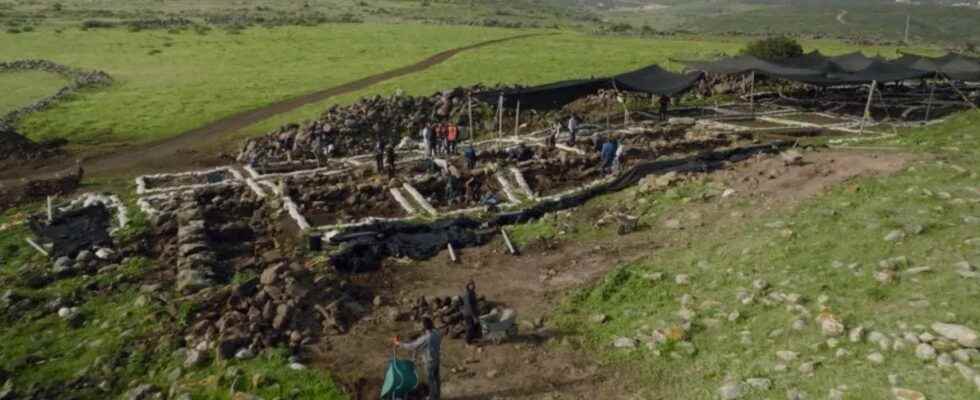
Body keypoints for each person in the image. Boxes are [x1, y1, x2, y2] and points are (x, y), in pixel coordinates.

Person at [395, 317, 442, 400]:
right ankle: (437, 396)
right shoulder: (437, 333)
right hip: (437, 359)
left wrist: (399, 343)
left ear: (424, 327)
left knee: (431, 381)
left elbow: (412, 346)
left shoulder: (426, 338)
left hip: (429, 362)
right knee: (436, 379)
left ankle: (432, 398)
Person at [461, 280, 482, 344]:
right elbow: (469, 306)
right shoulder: (468, 294)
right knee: (470, 327)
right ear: (468, 286)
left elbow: (474, 303)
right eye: (471, 285)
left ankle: (472, 338)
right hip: (468, 314)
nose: (472, 286)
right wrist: (474, 317)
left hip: (473, 313)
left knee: (473, 326)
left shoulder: (472, 292)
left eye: (473, 284)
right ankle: (467, 341)